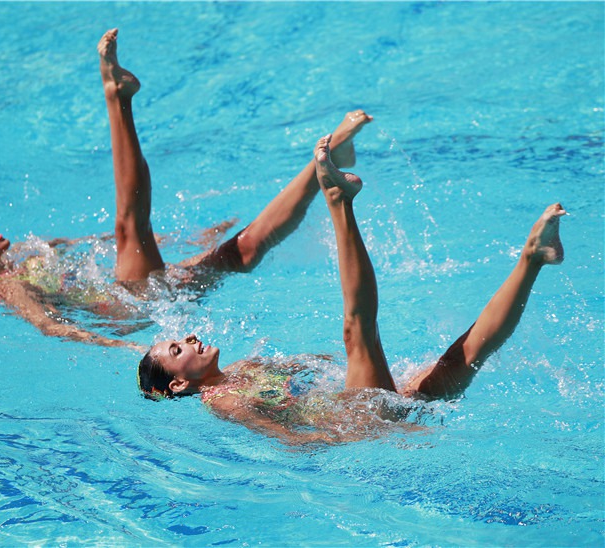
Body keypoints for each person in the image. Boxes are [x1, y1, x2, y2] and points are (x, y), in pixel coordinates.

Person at [0, 28, 373, 348]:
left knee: (245, 248)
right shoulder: (1, 286)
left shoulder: (24, 250)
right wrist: (118, 347)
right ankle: (116, 97)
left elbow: (89, 245)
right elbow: (49, 326)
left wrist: (189, 242)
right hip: (128, 308)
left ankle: (327, 160)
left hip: (141, 289)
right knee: (129, 226)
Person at [138, 133, 567, 445]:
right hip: (363, 422)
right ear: (177, 386)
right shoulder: (223, 401)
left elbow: (309, 370)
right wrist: (346, 437)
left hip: (374, 405)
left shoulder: (242, 369)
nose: (189, 338)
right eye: (178, 349)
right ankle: (339, 202)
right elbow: (290, 441)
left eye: (179, 339)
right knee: (357, 332)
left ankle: (532, 259)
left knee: (462, 356)